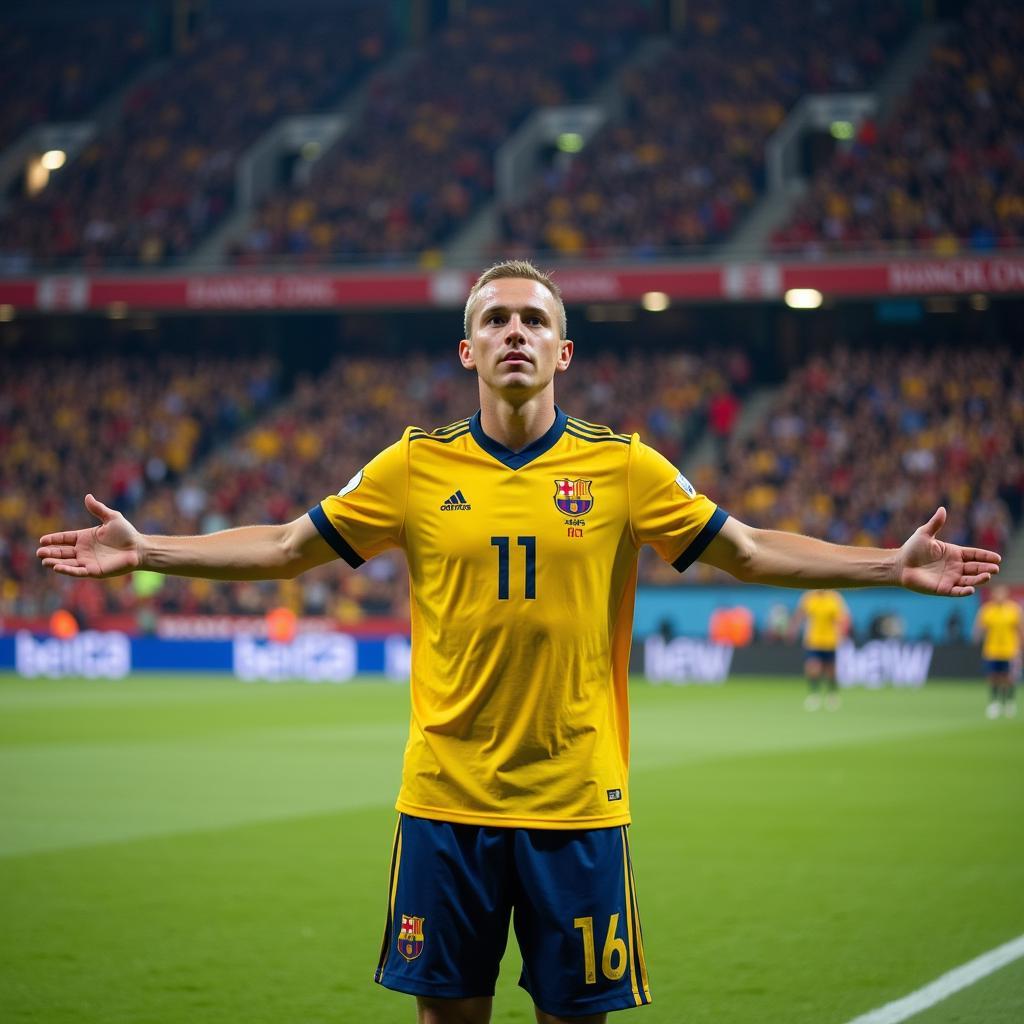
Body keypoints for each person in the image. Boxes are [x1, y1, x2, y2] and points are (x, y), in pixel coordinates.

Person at [37, 260, 1001, 1024]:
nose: (514, 333)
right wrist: (149, 548)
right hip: (444, 803)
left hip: (576, 803)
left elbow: (745, 550)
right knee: (447, 1017)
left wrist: (889, 566)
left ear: (564, 352)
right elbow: (290, 546)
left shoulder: (624, 467)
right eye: (495, 320)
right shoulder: (413, 466)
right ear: (467, 352)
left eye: (533, 320)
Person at [789, 589, 851, 711]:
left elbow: (842, 618)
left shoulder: (834, 597)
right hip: (813, 641)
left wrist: (842, 633)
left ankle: (832, 693)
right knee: (813, 667)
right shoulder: (809, 597)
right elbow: (800, 614)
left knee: (830, 670)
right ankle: (814, 694)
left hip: (830, 641)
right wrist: (793, 629)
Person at [972, 584, 1022, 719]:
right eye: (997, 593)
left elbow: (1019, 629)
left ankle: (1009, 703)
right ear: (993, 595)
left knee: (1009, 678)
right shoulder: (987, 610)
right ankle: (994, 703)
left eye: (1002, 593)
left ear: (1006, 595)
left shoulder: (1013, 610)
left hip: (1010, 650)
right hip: (992, 650)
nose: (999, 596)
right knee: (993, 677)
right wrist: (976, 636)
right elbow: (979, 628)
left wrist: (1020, 649)